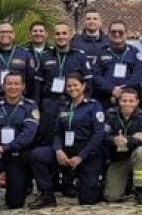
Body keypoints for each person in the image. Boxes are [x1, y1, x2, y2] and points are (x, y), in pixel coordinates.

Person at [29, 73, 105, 208]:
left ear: (83, 86)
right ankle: (47, 196)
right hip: (66, 151)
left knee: (87, 199)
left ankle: (94, 185)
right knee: (38, 155)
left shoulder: (94, 106)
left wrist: (81, 157)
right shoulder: (63, 106)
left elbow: (98, 135)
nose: (72, 88)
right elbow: (57, 132)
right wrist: (58, 150)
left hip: (86, 153)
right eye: (69, 86)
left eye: (75, 85)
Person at [0, 72, 39, 211]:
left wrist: (6, 148)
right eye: (9, 84)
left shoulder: (30, 107)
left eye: (17, 84)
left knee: (15, 203)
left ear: (23, 86)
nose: (13, 87)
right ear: (3, 86)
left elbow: (28, 135)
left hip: (17, 154)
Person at [34, 22, 93, 148]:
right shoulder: (44, 57)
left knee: (71, 139)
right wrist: (36, 107)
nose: (61, 36)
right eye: (58, 34)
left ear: (70, 35)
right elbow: (38, 85)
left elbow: (88, 83)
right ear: (52, 36)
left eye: (64, 33)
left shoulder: (80, 56)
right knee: (48, 139)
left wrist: (84, 105)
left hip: (72, 104)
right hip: (50, 104)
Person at [102, 88, 142, 204]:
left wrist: (126, 141)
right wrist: (114, 139)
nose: (127, 104)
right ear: (119, 101)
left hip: (135, 157)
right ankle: (128, 185)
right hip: (117, 158)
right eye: (124, 101)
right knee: (112, 197)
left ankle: (140, 189)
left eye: (131, 101)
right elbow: (103, 136)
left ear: (137, 102)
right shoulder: (110, 114)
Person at [92, 20, 142, 106]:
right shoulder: (101, 52)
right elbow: (96, 76)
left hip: (128, 100)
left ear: (126, 34)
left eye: (120, 32)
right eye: (113, 32)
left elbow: (137, 75)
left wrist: (122, 90)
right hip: (105, 98)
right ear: (108, 34)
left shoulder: (134, 52)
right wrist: (112, 89)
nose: (117, 34)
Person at [0, 22, 34, 100]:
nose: (5, 34)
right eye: (1, 32)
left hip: (18, 100)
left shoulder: (25, 54)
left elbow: (30, 79)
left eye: (9, 32)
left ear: (14, 34)